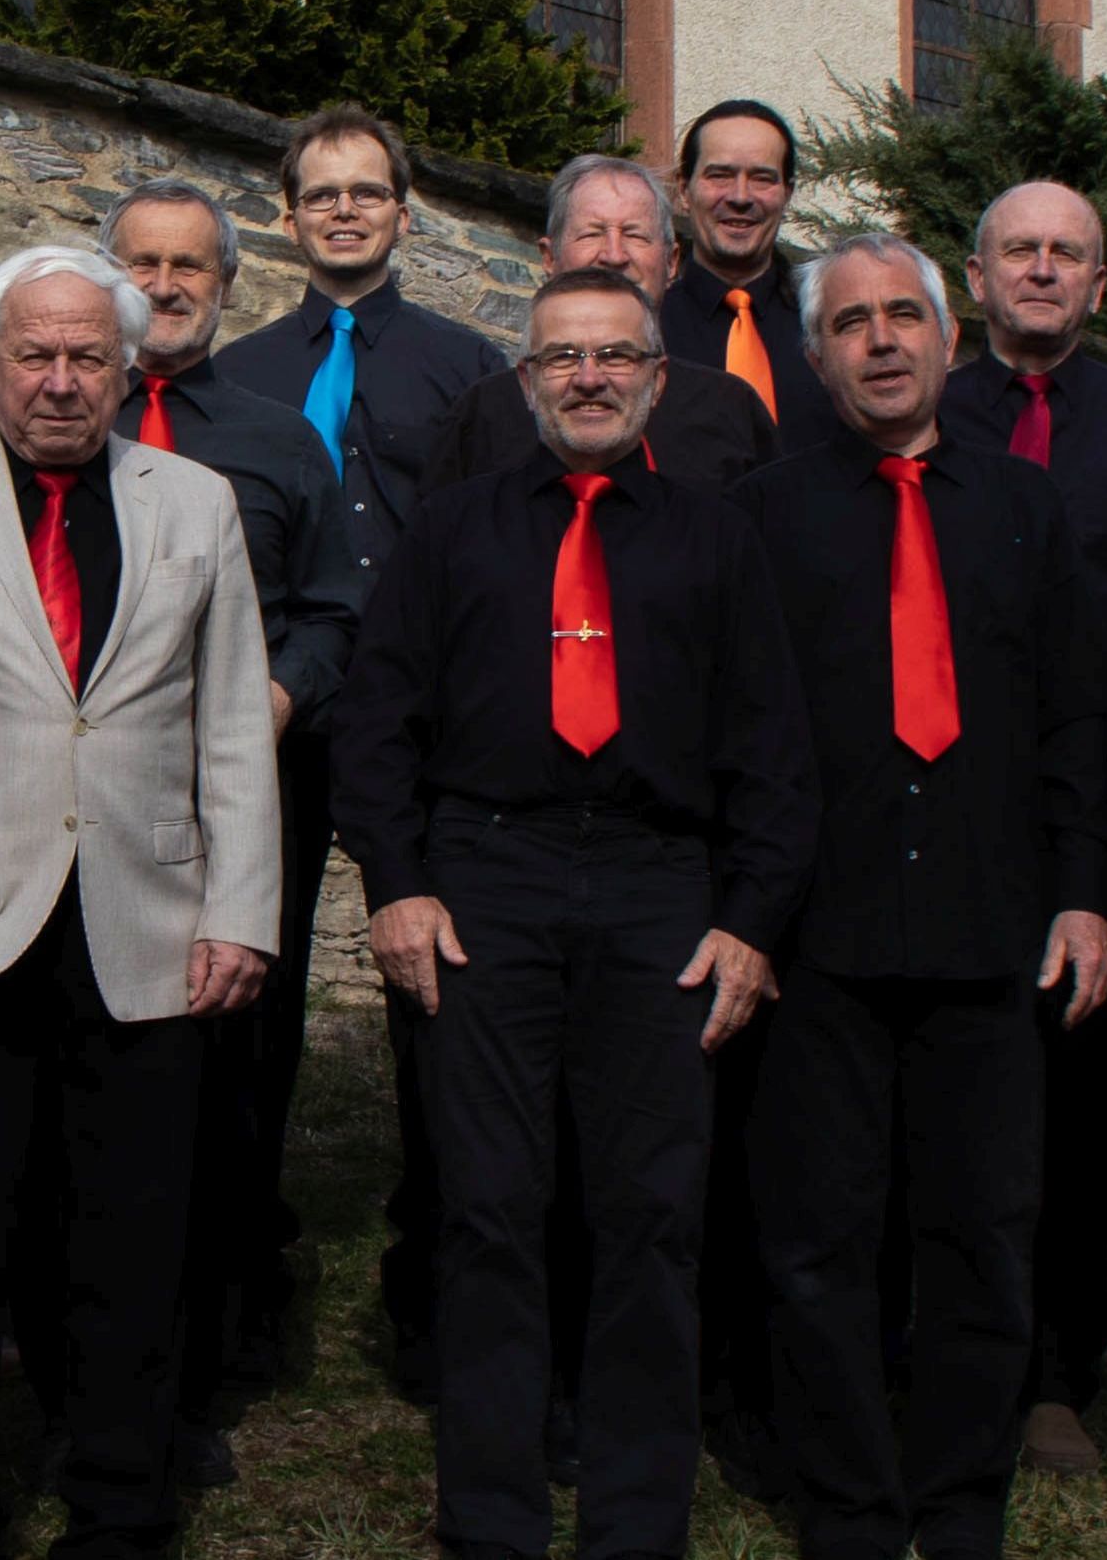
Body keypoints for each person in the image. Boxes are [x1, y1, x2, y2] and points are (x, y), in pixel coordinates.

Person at [341, 264, 818, 1560]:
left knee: (653, 1217)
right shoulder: (454, 530)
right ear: (526, 380)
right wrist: (398, 883)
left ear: (658, 378)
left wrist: (752, 919)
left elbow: (774, 751)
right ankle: (491, 1518)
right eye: (563, 358)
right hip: (486, 883)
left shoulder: (719, 538)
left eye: (616, 355)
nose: (591, 376)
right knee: (488, 1209)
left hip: (663, 891)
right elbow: (378, 722)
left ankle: (633, 1517)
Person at [0, 244, 280, 1560]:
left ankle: (122, 1509)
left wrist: (240, 907)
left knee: (130, 1244)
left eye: (89, 352)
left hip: (146, 924)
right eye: (36, 350)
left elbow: (234, 725)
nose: (61, 378)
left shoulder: (197, 502)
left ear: (126, 362)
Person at [738, 236, 1107, 1560]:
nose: (882, 339)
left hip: (987, 931)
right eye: (852, 321)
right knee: (816, 1241)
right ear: (817, 350)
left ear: (951, 341)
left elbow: (1076, 719)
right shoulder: (767, 515)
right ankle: (844, 1505)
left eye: (905, 314)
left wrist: (1082, 897)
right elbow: (741, 733)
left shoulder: (1026, 511)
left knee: (981, 1237)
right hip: (818, 941)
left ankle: (959, 1505)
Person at [214, 104, 512, 1389]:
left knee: (436, 1002)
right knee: (249, 997)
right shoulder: (237, 376)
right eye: (318, 194)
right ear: (285, 217)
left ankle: (435, 1285)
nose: (342, 210)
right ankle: (243, 1263)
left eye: (367, 192)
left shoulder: (469, 370)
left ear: (406, 210)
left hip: (423, 723)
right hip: (273, 717)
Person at [935, 179, 1107, 1480]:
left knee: (1085, 1107)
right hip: (945, 801)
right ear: (974, 276)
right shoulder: (925, 408)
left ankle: (1056, 1372)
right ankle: (936, 1339)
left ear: (1100, 285)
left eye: (1068, 255)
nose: (1041, 271)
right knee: (947, 1090)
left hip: (1093, 801)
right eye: (1019, 251)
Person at [102, 180, 362, 1473]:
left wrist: (277, 693)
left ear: (227, 280)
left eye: (190, 264)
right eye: (143, 261)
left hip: (248, 797)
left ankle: (207, 1353)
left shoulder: (278, 441)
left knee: (232, 1074)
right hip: (95, 809)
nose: (166, 282)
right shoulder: (55, 425)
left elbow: (333, 608)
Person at [427, 154, 777, 490]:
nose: (613, 255)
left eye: (635, 235)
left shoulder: (729, 410)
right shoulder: (485, 414)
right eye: (592, 233)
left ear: (671, 263)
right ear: (549, 257)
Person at [658, 99, 844, 452]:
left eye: (761, 178)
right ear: (684, 190)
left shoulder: (830, 328)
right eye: (720, 176)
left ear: (787, 194)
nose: (740, 197)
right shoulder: (648, 330)